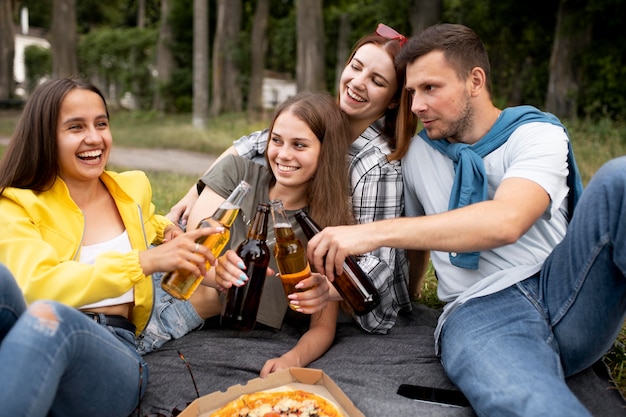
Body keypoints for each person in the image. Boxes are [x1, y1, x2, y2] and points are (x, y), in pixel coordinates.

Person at [306, 23, 626, 417]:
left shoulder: (536, 133)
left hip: (564, 291)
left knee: (620, 178)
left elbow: (507, 220)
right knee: (532, 403)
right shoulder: (416, 153)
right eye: (409, 93)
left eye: (430, 88)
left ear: (475, 80)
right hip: (481, 312)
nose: (417, 105)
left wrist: (366, 235)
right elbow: (404, 240)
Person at [165, 23, 423, 335]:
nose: (358, 82)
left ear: (394, 100)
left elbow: (376, 265)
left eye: (377, 81)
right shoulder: (330, 118)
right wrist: (194, 193)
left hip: (353, 295)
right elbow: (254, 144)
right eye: (355, 67)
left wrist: (325, 288)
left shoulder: (376, 164)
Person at [0, 78, 222, 417]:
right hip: (33, 335)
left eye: (101, 123)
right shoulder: (18, 204)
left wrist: (175, 235)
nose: (94, 137)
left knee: (55, 321)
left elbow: (154, 225)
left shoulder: (132, 189)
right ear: (46, 136)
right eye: (76, 127)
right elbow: (34, 286)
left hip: (113, 354)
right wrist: (141, 262)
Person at [190, 91, 352, 376]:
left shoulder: (325, 227)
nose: (283, 154)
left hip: (216, 331)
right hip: (168, 301)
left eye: (299, 145)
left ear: (326, 151)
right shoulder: (237, 173)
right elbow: (189, 252)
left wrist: (294, 359)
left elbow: (323, 326)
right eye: (276, 140)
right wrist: (218, 272)